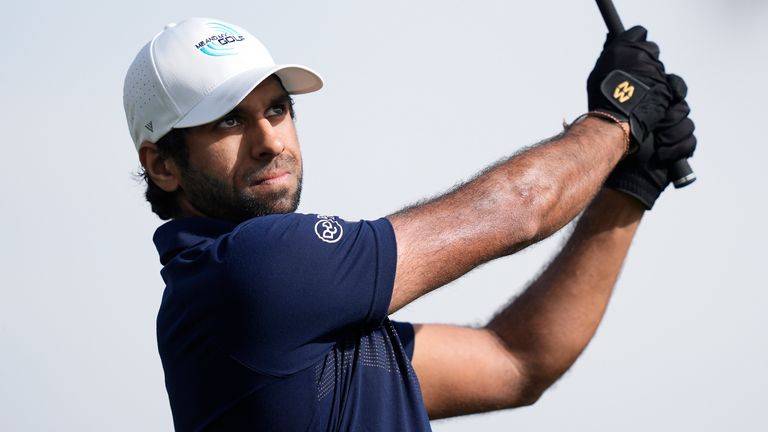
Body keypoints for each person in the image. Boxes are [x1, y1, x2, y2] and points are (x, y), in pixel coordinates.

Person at [123, 17, 696, 431]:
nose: (271, 140)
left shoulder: (291, 316)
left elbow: (518, 360)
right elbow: (518, 207)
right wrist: (619, 116)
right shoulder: (251, 270)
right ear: (163, 165)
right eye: (229, 121)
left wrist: (630, 186)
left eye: (277, 109)